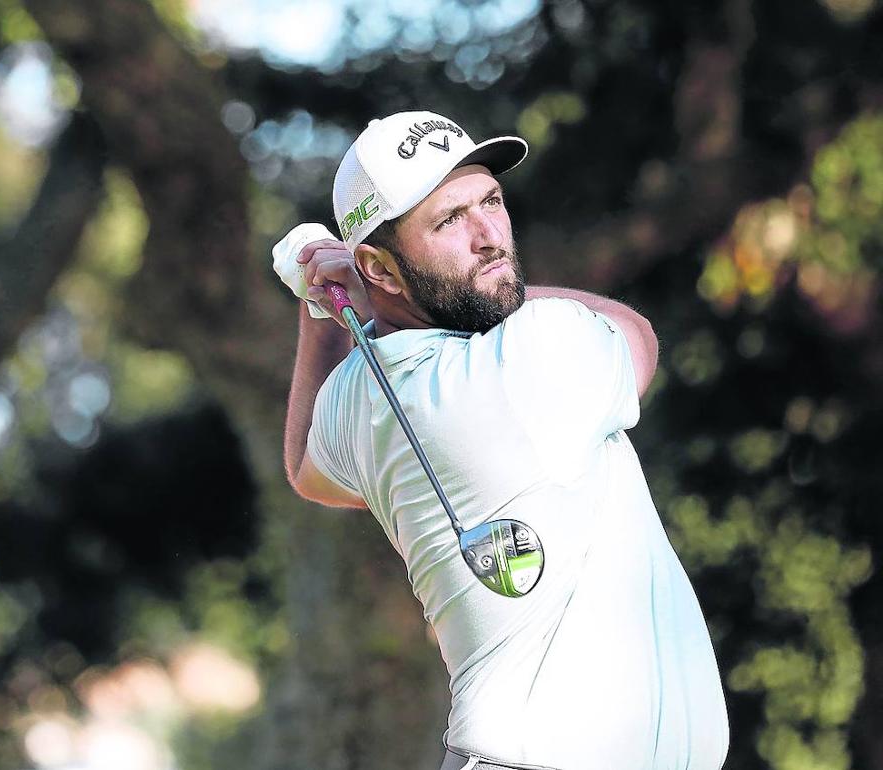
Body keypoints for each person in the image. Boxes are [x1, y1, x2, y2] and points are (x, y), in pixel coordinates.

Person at [276, 111, 729, 770]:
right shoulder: (531, 355)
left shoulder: (354, 398)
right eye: (449, 221)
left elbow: (303, 467)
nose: (489, 237)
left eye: (490, 201)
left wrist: (323, 311)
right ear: (381, 269)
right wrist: (362, 301)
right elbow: (636, 335)